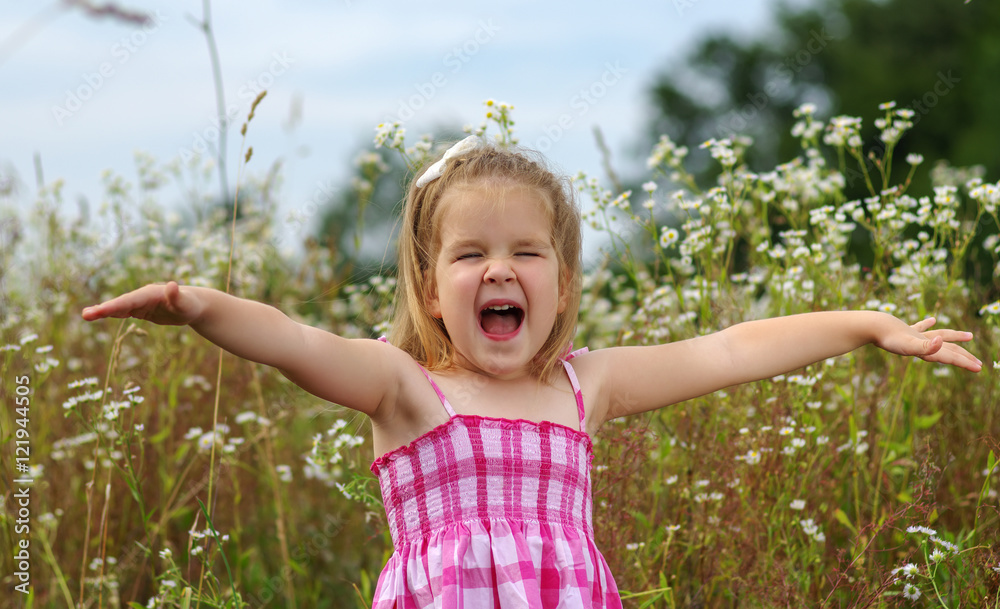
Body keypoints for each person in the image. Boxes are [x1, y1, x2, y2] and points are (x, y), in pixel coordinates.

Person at [82, 136, 983, 608]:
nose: (501, 270)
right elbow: (293, 339)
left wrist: (869, 324)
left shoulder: (584, 387)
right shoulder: (405, 388)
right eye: (470, 254)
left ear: (561, 281)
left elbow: (730, 349)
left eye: (527, 251)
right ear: (431, 290)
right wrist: (197, 305)